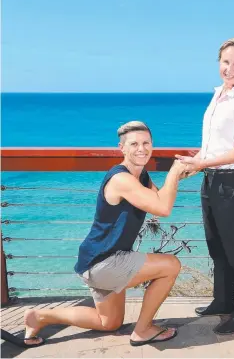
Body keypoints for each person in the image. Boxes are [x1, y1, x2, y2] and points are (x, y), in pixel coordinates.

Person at [22, 121, 189, 347]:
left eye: (146, 143)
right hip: (105, 262)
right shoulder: (121, 178)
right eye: (134, 144)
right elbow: (164, 209)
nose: (141, 149)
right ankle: (143, 330)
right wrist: (174, 171)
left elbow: (157, 201)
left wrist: (180, 174)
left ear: (152, 145)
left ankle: (39, 317)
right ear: (122, 148)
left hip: (95, 260)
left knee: (108, 322)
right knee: (171, 265)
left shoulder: (141, 176)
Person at [175, 37, 234, 335]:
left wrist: (202, 163)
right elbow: (213, 145)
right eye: (226, 62)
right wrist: (195, 162)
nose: (230, 68)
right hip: (210, 178)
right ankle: (222, 301)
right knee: (216, 246)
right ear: (219, 63)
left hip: (230, 182)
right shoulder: (219, 95)